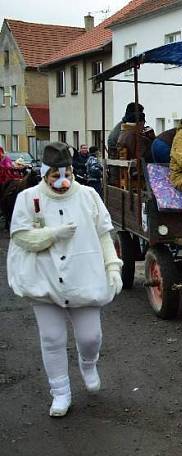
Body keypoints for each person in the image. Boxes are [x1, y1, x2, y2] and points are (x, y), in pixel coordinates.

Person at [6, 142, 123, 417]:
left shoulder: (89, 195)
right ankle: (60, 392)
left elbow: (105, 234)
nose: (62, 181)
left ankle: (88, 362)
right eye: (55, 176)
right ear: (44, 174)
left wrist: (113, 267)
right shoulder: (28, 199)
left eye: (67, 174)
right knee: (51, 338)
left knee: (90, 336)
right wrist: (51, 235)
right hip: (44, 280)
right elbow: (20, 235)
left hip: (83, 277)